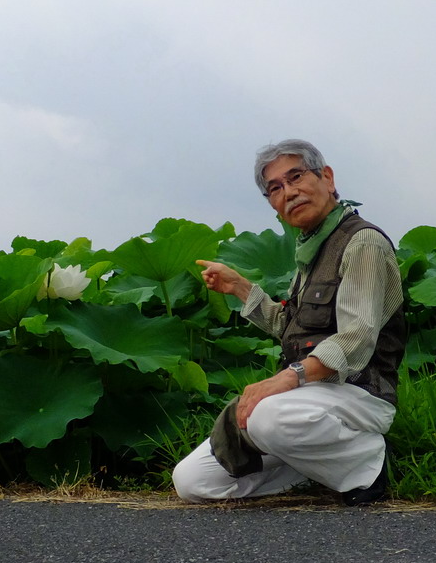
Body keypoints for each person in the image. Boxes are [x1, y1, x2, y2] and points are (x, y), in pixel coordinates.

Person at [173, 139, 406, 505]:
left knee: (267, 416)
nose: (289, 192)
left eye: (295, 176)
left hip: (360, 393)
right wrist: (239, 287)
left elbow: (356, 338)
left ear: (327, 178)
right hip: (310, 403)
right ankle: (315, 466)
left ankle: (366, 462)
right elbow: (292, 328)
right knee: (192, 481)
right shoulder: (311, 249)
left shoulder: (362, 243)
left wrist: (283, 379)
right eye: (275, 189)